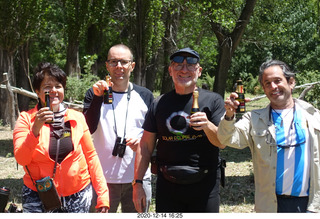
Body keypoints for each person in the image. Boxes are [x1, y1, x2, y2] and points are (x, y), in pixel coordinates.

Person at [217, 60, 320, 213]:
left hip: (309, 204)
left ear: (291, 82)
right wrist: (229, 115)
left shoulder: (313, 116)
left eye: (278, 81)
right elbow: (226, 138)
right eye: (267, 83)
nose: (273, 87)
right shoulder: (253, 119)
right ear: (264, 89)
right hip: (270, 206)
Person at [133, 47, 226, 212]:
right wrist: (138, 184)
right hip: (168, 185)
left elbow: (222, 143)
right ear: (170, 70)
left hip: (205, 184)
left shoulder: (213, 101)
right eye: (178, 65)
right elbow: (145, 146)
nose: (184, 70)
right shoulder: (159, 103)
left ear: (199, 71)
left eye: (190, 65)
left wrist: (207, 125)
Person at [13, 62, 109, 213]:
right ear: (37, 91)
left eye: (58, 86)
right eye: (47, 87)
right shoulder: (26, 119)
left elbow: (91, 157)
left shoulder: (76, 117)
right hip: (39, 195)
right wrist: (35, 129)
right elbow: (21, 159)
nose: (53, 91)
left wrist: (103, 195)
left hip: (78, 194)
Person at [83, 44, 153, 213]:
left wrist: (142, 141)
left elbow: (154, 135)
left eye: (123, 62)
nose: (119, 66)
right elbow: (87, 129)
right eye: (113, 62)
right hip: (102, 180)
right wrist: (97, 99)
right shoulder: (95, 93)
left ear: (132, 66)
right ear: (107, 65)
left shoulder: (145, 95)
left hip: (137, 179)